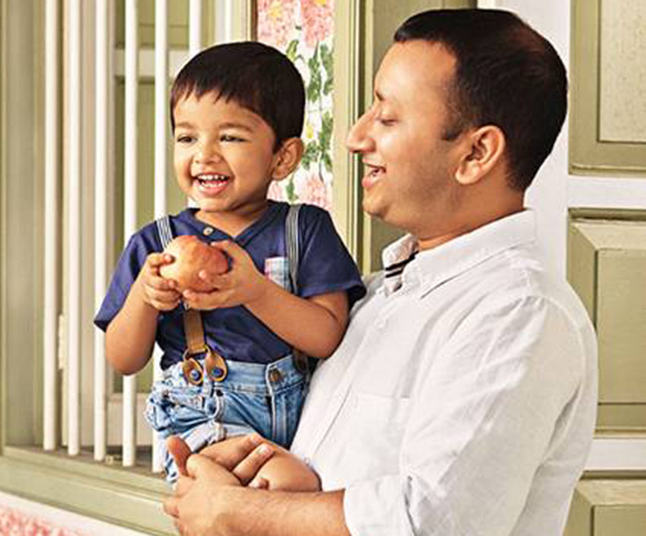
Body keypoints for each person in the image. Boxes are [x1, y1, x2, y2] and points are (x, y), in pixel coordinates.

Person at [162, 9, 598, 536]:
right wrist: (249, 463)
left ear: (476, 152)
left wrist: (240, 514)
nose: (355, 137)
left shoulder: (519, 313)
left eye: (387, 118)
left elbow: (434, 519)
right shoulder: (375, 298)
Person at [94, 41, 364, 489]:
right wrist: (145, 297)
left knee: (295, 487)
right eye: (187, 137)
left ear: (283, 157)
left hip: (296, 421)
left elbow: (326, 336)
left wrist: (255, 291)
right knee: (278, 486)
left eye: (231, 137)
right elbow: (124, 359)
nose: (205, 154)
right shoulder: (156, 246)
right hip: (199, 421)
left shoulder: (304, 230)